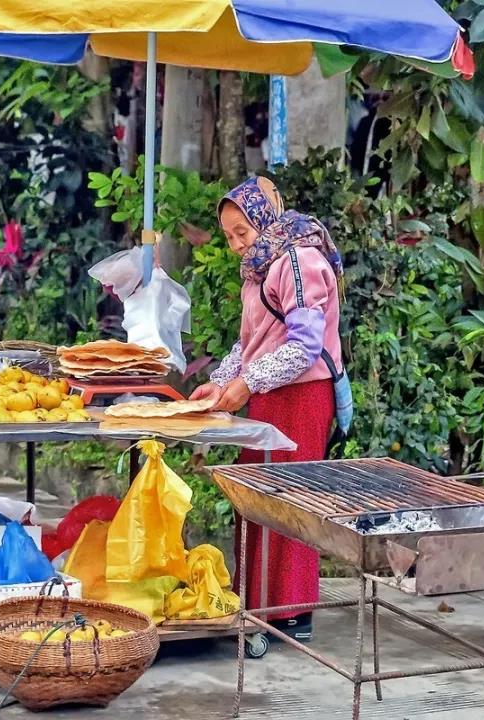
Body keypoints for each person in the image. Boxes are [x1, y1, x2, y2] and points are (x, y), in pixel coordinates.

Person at [189, 176, 345, 641]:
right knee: (255, 495)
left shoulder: (299, 262)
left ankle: (292, 613)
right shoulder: (261, 269)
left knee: (290, 501)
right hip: (266, 397)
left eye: (243, 232)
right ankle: (257, 605)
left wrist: (244, 385)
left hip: (301, 396)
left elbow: (304, 347)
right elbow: (249, 343)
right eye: (230, 236)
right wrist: (219, 386)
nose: (237, 244)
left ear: (264, 219)